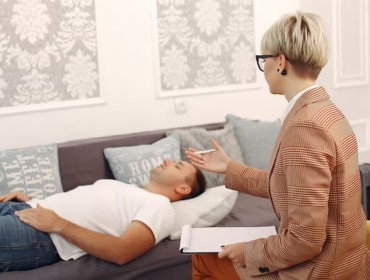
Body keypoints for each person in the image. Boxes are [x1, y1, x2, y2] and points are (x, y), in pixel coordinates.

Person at [186, 11, 370, 280]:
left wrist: (249, 252)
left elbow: (305, 239)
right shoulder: (328, 111)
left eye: (264, 60)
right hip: (347, 262)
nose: (264, 69)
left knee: (203, 259)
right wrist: (229, 168)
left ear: (281, 62)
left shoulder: (304, 128)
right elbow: (291, 185)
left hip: (322, 271)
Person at [0, 159, 206, 272]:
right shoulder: (126, 189)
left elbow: (122, 251)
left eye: (178, 166)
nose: (167, 161)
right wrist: (31, 200)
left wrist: (59, 224)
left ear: (183, 188)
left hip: (40, 235)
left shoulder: (160, 207)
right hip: (25, 208)